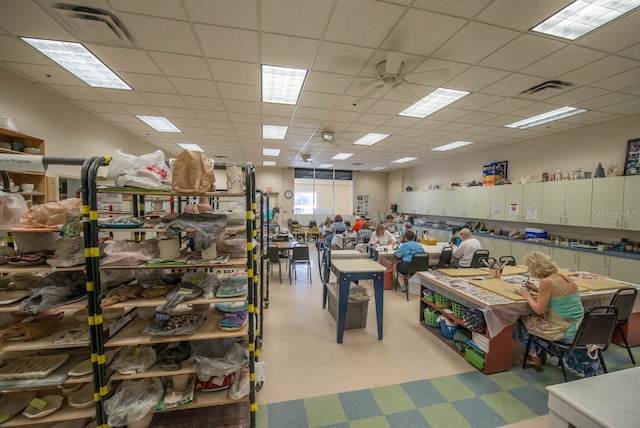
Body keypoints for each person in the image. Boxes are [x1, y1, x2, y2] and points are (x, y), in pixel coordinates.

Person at [512, 251, 597, 375]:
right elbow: (556, 294)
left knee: (522, 318)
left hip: (564, 330)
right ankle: (538, 352)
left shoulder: (546, 282)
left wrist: (526, 295)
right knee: (533, 319)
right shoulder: (563, 277)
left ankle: (534, 354)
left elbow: (538, 309)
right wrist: (537, 289)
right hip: (581, 327)